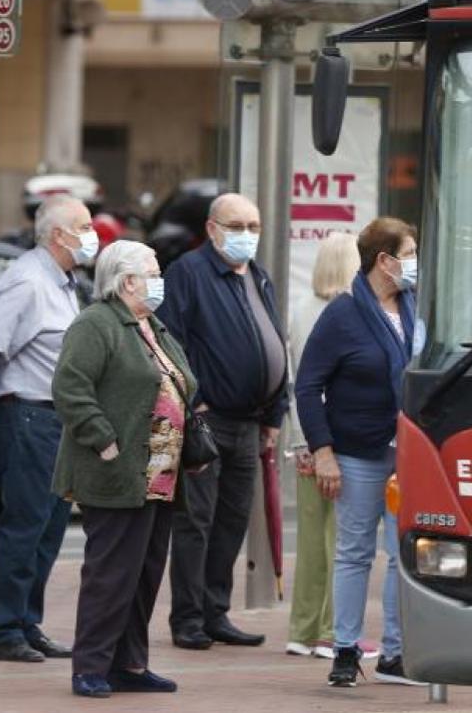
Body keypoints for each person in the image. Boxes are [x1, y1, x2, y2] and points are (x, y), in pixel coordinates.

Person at [0, 195, 98, 663]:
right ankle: (4, 630)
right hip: (30, 417)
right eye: (84, 225)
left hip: (61, 420)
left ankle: (27, 622)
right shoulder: (27, 281)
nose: (92, 233)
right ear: (59, 235)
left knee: (51, 527)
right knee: (26, 524)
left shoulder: (63, 282)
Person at [52, 241, 197, 698]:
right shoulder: (96, 324)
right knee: (111, 573)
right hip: (116, 471)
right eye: (153, 272)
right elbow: (70, 387)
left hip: (159, 473)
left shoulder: (150, 325)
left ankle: (130, 664)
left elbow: (179, 381)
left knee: (144, 573)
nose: (160, 281)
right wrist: (105, 440)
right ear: (127, 280)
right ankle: (90, 666)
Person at [295, 216, 426, 688]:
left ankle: (394, 652)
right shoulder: (343, 313)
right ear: (384, 260)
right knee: (354, 552)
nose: (415, 264)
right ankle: (346, 650)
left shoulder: (413, 308)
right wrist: (323, 451)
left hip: (409, 454)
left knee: (402, 553)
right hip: (358, 452)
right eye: (409, 254)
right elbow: (307, 387)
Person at [155, 193, 289, 650]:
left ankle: (216, 612)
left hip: (251, 423)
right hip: (208, 421)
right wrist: (196, 403)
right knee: (196, 521)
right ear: (212, 229)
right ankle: (188, 619)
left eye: (253, 226)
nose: (246, 235)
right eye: (236, 226)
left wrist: (275, 411)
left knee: (232, 520)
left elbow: (275, 342)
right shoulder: (188, 274)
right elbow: (170, 342)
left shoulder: (257, 276)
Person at [285, 233, 366, 660]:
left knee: (313, 540)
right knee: (345, 541)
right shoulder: (347, 314)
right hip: (337, 442)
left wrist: (301, 441)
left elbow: (298, 380)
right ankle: (334, 630)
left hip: (306, 439)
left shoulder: (301, 308)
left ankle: (302, 630)